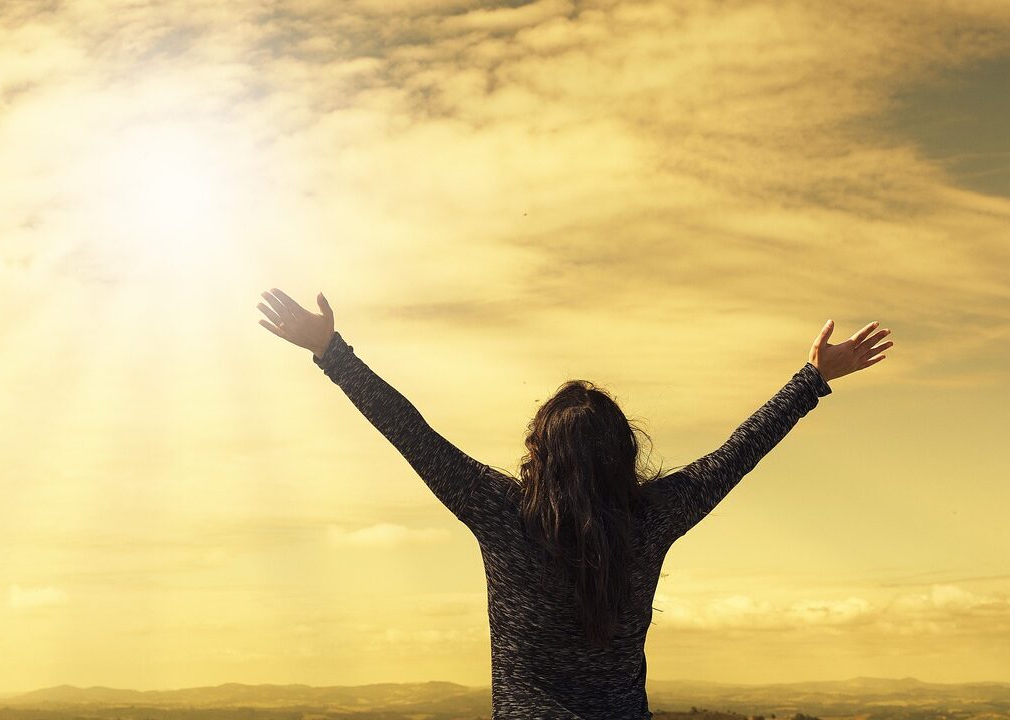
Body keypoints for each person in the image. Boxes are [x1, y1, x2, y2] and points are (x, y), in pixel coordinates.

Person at [256, 287, 893, 720]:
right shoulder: (652, 519)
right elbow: (738, 452)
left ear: (539, 451)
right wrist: (812, 379)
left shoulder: (503, 515)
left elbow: (412, 434)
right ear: (623, 453)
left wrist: (331, 352)